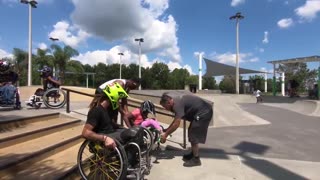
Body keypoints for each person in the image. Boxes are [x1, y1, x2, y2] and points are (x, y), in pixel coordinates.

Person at [159, 92, 213, 167]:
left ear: (169, 103)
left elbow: (176, 124)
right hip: (202, 111)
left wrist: (165, 135)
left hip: (204, 112)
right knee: (191, 131)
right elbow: (175, 120)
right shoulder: (175, 101)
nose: (165, 109)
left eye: (165, 107)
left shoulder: (176, 105)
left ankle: (196, 159)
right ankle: (193, 153)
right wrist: (167, 130)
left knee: (193, 134)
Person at [81, 82, 129, 149]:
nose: (119, 102)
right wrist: (105, 138)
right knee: (129, 135)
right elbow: (85, 133)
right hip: (104, 136)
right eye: (118, 99)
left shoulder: (109, 109)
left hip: (112, 132)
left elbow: (108, 124)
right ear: (114, 97)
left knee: (133, 132)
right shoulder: (96, 111)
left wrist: (122, 127)